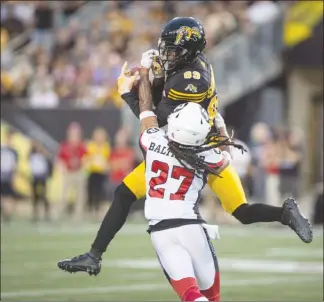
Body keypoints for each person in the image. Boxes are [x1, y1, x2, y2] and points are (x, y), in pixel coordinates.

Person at [57, 17, 313, 278]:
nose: (167, 54)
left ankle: (96, 255)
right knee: (240, 210)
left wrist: (133, 88)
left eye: (172, 50)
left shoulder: (190, 82)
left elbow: (152, 118)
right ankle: (285, 214)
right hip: (199, 146)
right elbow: (161, 106)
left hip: (194, 152)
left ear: (188, 51)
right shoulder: (192, 66)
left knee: (131, 194)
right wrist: (152, 80)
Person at [56, 122, 86, 220]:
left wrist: (81, 163)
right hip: (68, 172)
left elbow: (86, 157)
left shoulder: (81, 146)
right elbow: (59, 159)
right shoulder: (65, 146)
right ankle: (60, 212)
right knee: (64, 194)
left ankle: (78, 214)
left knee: (80, 195)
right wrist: (63, 167)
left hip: (78, 172)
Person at [84, 127, 111, 220]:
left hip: (102, 173)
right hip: (92, 172)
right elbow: (86, 158)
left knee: (101, 193)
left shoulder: (106, 147)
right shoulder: (90, 146)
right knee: (92, 192)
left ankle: (99, 211)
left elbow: (108, 159)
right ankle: (91, 211)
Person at [28, 140, 53, 222]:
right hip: (35, 177)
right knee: (35, 197)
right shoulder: (32, 154)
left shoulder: (43, 154)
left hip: (42, 178)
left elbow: (49, 162)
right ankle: (35, 214)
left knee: (43, 196)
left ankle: (47, 213)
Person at [0, 129, 18, 223]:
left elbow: (14, 166)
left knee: (7, 197)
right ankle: (5, 214)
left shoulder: (13, 151)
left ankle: (6, 214)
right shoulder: (3, 149)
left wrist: (13, 177)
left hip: (8, 175)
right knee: (5, 197)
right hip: (3, 174)